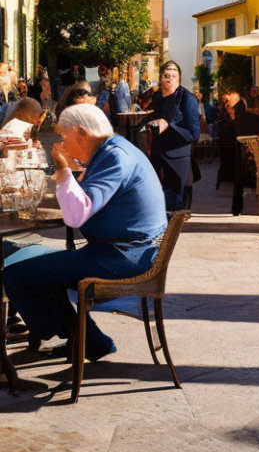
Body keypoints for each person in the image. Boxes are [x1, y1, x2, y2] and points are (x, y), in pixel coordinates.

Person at [4, 103, 167, 361]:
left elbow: (76, 215)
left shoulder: (114, 157)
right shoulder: (113, 150)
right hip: (125, 250)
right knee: (44, 267)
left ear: (81, 132)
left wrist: (61, 168)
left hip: (123, 256)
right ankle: (91, 342)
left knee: (15, 274)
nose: (62, 145)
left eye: (64, 137)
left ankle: (53, 330)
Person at [145, 61, 200, 211]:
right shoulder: (156, 98)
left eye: (173, 76)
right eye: (166, 75)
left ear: (179, 79)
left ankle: (171, 233)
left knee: (175, 203)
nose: (169, 79)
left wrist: (169, 124)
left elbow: (194, 133)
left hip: (176, 157)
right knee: (156, 198)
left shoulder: (187, 99)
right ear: (161, 78)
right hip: (156, 154)